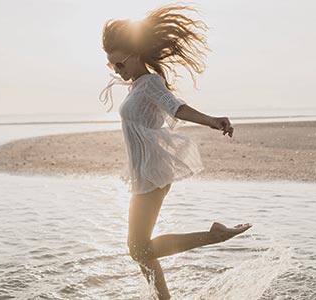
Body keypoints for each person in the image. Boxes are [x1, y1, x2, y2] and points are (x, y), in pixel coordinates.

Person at [101, 4, 252, 299]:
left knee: (139, 249)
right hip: (142, 173)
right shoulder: (137, 86)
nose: (117, 71)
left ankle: (215, 235)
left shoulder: (150, 83)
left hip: (152, 173)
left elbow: (176, 106)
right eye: (111, 66)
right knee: (141, 251)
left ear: (135, 55)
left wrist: (210, 121)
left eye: (120, 64)